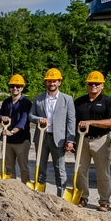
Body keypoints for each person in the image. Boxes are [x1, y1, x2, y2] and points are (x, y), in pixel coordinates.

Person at [74, 71, 111, 210]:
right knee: (80, 170)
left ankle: (104, 201)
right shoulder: (79, 102)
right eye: (91, 83)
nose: (93, 85)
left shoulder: (109, 102)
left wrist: (91, 122)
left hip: (100, 140)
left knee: (102, 172)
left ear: (102, 86)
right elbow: (72, 121)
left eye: (97, 84)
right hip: (82, 139)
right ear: (87, 85)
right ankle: (82, 197)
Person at [30, 68, 76, 196]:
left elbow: (71, 120)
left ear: (59, 82)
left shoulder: (67, 99)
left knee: (59, 169)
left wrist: (70, 139)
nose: (52, 84)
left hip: (59, 139)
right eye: (49, 81)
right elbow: (31, 116)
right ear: (46, 82)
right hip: (41, 138)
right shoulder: (38, 99)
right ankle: (40, 195)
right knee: (40, 167)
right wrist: (40, 119)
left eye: (54, 81)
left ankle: (60, 196)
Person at [0, 75, 32, 183]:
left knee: (24, 168)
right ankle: (11, 191)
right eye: (12, 86)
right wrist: (1, 118)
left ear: (22, 88)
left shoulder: (26, 103)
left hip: (21, 140)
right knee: (9, 168)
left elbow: (23, 121)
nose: (15, 88)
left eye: (18, 86)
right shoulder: (6, 102)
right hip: (7, 141)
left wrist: (12, 132)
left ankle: (25, 190)